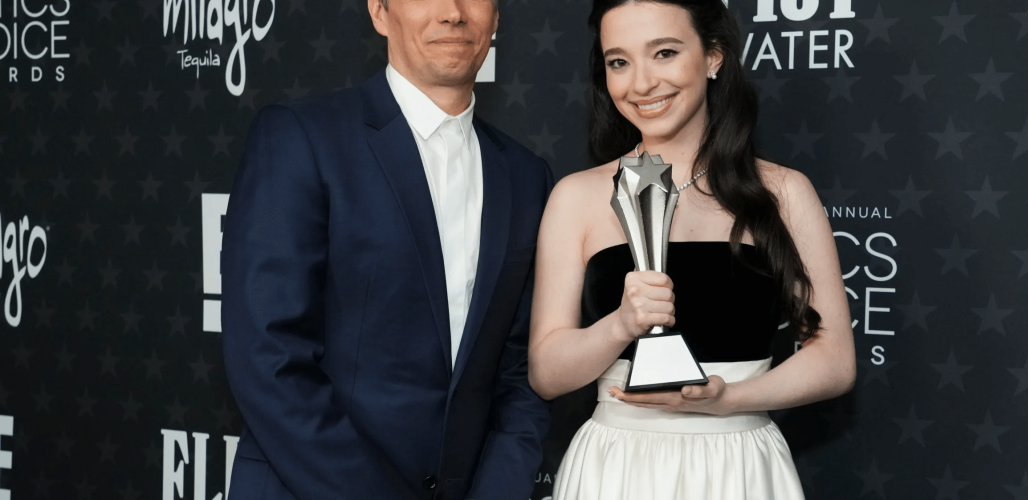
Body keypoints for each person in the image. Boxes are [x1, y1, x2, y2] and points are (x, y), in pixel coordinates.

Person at [220, 0, 551, 498]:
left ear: (497, 17)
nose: (454, 13)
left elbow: (521, 372)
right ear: (379, 12)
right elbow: (268, 357)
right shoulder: (301, 137)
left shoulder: (528, 177)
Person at [528, 1, 856, 499]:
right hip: (616, 468)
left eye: (664, 53)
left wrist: (731, 400)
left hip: (739, 464)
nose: (641, 83)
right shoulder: (577, 197)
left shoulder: (784, 193)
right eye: (619, 62)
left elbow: (833, 358)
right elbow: (547, 373)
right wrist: (619, 324)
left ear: (713, 56)